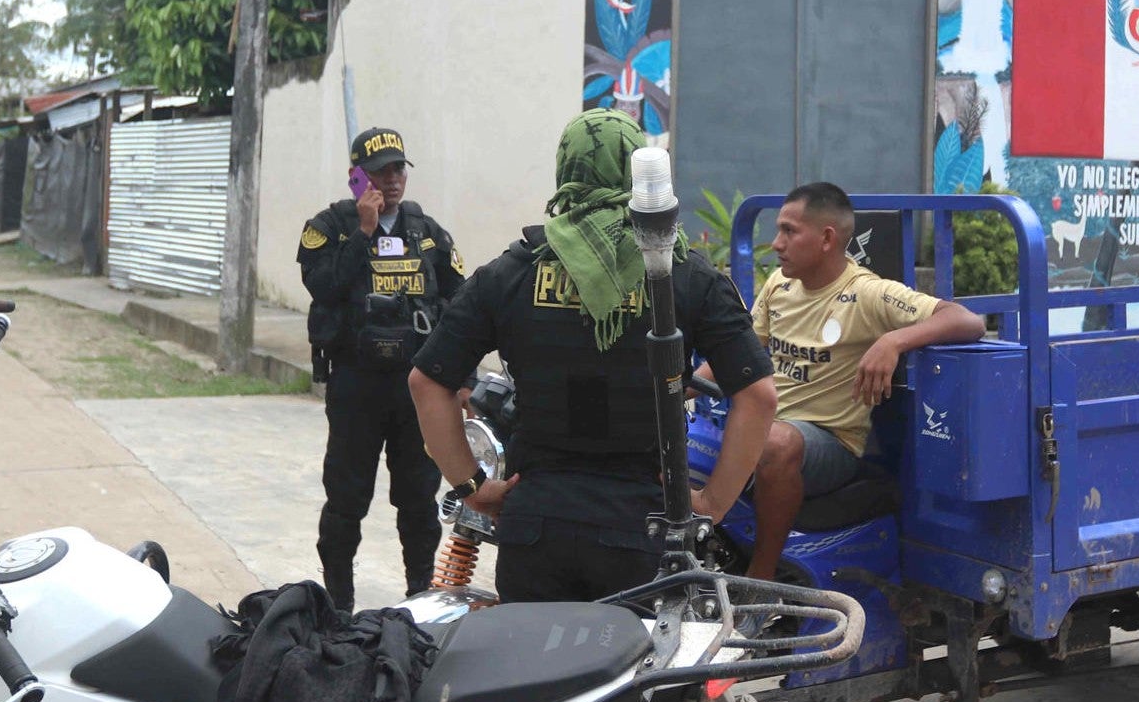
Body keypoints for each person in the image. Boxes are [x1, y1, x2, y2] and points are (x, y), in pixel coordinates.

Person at [407, 109, 777, 604]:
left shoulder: (511, 273)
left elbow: (427, 382)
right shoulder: (682, 275)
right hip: (642, 528)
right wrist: (711, 503)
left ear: (566, 170)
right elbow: (757, 396)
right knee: (628, 678)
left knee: (532, 676)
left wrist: (472, 485)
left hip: (534, 523)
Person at [740, 182, 984, 581]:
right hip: (765, 426)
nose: (776, 244)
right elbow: (744, 355)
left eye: (788, 231)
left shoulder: (868, 294)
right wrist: (675, 388)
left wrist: (893, 340)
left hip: (828, 442)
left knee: (776, 442)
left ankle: (759, 578)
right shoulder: (778, 287)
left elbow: (966, 321)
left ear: (826, 239)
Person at [299, 126, 465, 612]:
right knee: (346, 499)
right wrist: (364, 232)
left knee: (418, 499)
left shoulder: (428, 233)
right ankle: (338, 605)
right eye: (378, 172)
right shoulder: (328, 228)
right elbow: (324, 288)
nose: (390, 181)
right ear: (357, 178)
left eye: (397, 169)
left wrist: (462, 378)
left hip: (415, 388)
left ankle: (419, 598)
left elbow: (460, 302)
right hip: (356, 385)